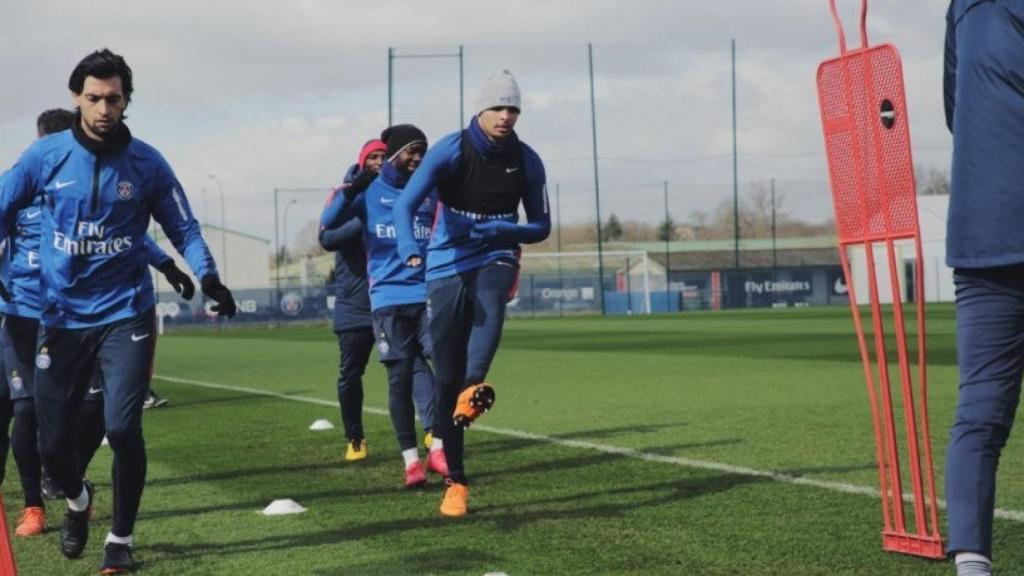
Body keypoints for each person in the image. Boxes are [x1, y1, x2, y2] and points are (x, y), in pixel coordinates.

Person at [0, 49, 235, 573]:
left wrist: (208, 274)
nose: (104, 107)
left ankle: (119, 542)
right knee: (51, 446)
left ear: (127, 100)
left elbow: (184, 228)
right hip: (60, 318)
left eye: (114, 98)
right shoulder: (45, 158)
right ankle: (78, 501)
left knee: (123, 427)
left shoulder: (147, 163)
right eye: (93, 98)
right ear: (76, 98)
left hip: (126, 313)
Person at [394, 70, 549, 516]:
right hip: (444, 262)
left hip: (497, 254)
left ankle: (474, 386)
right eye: (498, 107)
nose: (506, 116)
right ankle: (456, 483)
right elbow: (406, 205)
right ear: (479, 110)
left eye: (513, 108)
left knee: (490, 304)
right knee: (446, 379)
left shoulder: (528, 160)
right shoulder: (449, 150)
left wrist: (504, 228)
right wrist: (410, 249)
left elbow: (541, 225)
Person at [943, 3, 1024, 576]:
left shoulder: (962, 5)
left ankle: (972, 561)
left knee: (979, 411)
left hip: (981, 229)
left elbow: (956, 110)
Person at [321, 124, 447, 488]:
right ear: (394, 154)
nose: (418, 158)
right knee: (399, 377)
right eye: (411, 150)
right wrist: (352, 190)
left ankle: (438, 445)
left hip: (426, 296)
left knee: (447, 365)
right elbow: (328, 226)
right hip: (387, 302)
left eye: (423, 151)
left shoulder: (428, 191)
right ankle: (411, 462)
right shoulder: (370, 192)